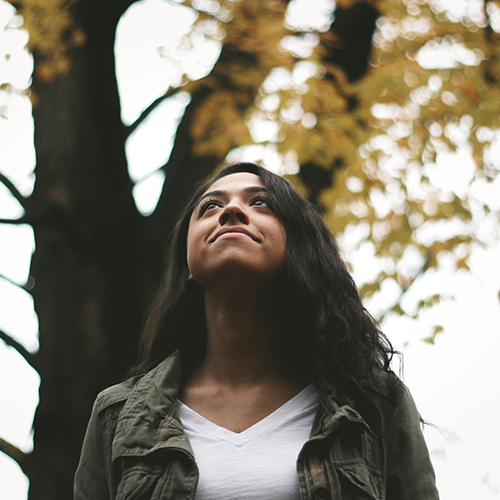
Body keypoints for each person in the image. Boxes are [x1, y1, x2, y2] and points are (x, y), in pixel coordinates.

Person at [74, 162, 439, 500]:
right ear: (186, 263)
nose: (231, 211)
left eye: (260, 202)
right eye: (209, 207)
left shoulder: (375, 404)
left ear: (298, 248)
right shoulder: (116, 415)